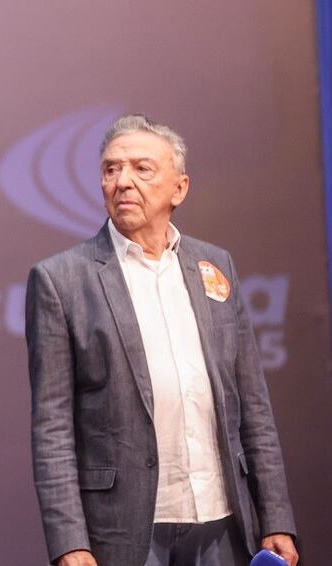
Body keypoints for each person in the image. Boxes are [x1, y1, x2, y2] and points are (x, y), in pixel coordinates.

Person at [25, 115, 298, 566]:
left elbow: (252, 404)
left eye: (141, 169)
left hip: (222, 519)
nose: (123, 182)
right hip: (124, 529)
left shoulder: (216, 266)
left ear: (180, 188)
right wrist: (69, 543)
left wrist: (276, 516)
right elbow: (51, 428)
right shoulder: (61, 280)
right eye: (111, 169)